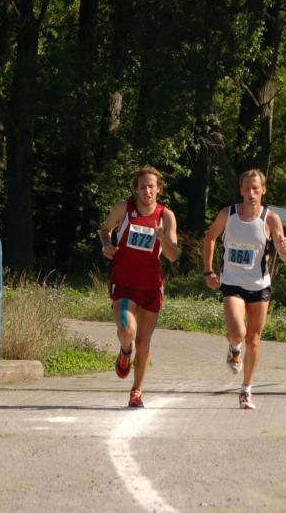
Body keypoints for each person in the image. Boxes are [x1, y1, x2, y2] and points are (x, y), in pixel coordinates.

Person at [202, 169, 286, 410]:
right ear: (241, 190)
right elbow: (210, 238)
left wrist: (285, 249)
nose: (251, 193)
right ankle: (234, 348)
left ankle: (246, 390)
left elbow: (285, 257)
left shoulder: (270, 218)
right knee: (238, 333)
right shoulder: (228, 214)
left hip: (259, 286)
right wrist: (208, 271)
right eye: (247, 188)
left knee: (254, 340)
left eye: (256, 188)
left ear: (263, 190)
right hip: (232, 283)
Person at [100, 166, 179, 408]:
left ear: (159, 189)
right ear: (136, 188)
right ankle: (125, 351)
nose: (147, 191)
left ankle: (136, 391)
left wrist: (161, 238)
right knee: (127, 330)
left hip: (151, 286)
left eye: (151, 186)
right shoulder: (123, 209)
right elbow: (105, 229)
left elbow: (173, 255)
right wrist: (107, 245)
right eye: (142, 186)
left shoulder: (166, 216)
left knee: (143, 343)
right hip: (124, 283)